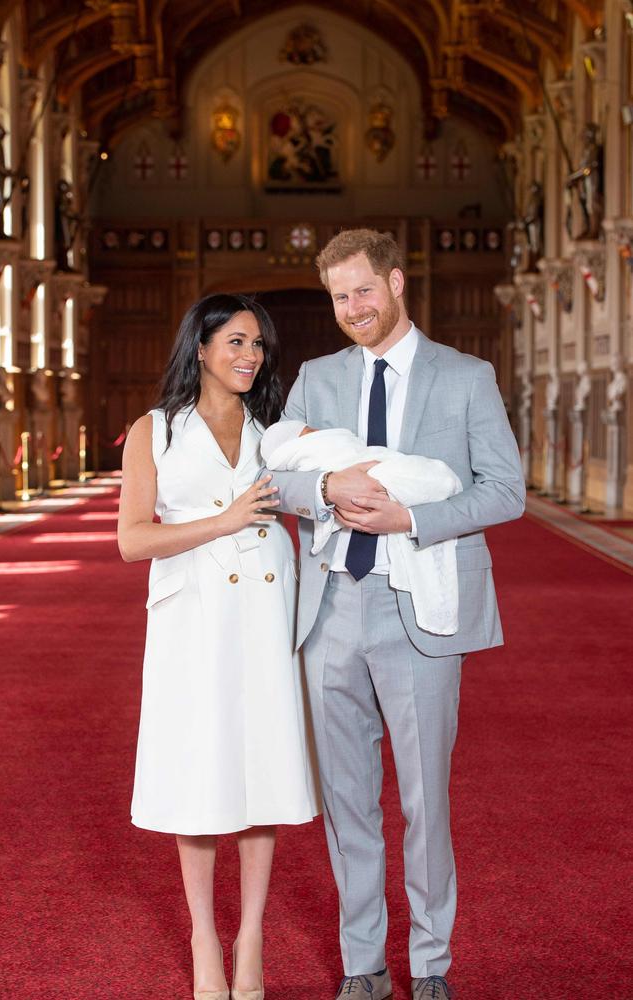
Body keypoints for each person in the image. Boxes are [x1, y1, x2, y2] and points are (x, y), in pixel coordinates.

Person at [261, 229, 526, 1000]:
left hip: (422, 608)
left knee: (422, 801)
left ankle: (433, 964)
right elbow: (281, 481)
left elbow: (505, 490)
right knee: (347, 803)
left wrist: (409, 519)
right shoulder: (316, 378)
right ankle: (363, 967)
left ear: (397, 282)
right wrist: (327, 493)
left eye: (363, 291)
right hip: (333, 609)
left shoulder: (465, 376)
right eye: (340, 297)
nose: (353, 309)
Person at [118, 293, 320, 1000]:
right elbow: (132, 539)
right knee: (202, 772)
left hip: (267, 606)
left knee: (260, 771)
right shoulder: (154, 431)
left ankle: (251, 937)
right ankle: (205, 933)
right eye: (235, 342)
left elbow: (316, 492)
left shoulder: (277, 429)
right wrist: (225, 520)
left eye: (258, 344)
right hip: (192, 616)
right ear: (199, 348)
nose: (250, 356)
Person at [260, 420, 462, 635]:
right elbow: (266, 482)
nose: (317, 432)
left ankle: (438, 480)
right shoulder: (308, 393)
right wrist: (327, 487)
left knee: (416, 475)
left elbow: (501, 488)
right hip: (330, 591)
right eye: (309, 432)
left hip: (405, 587)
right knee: (399, 477)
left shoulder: (469, 385)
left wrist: (410, 520)